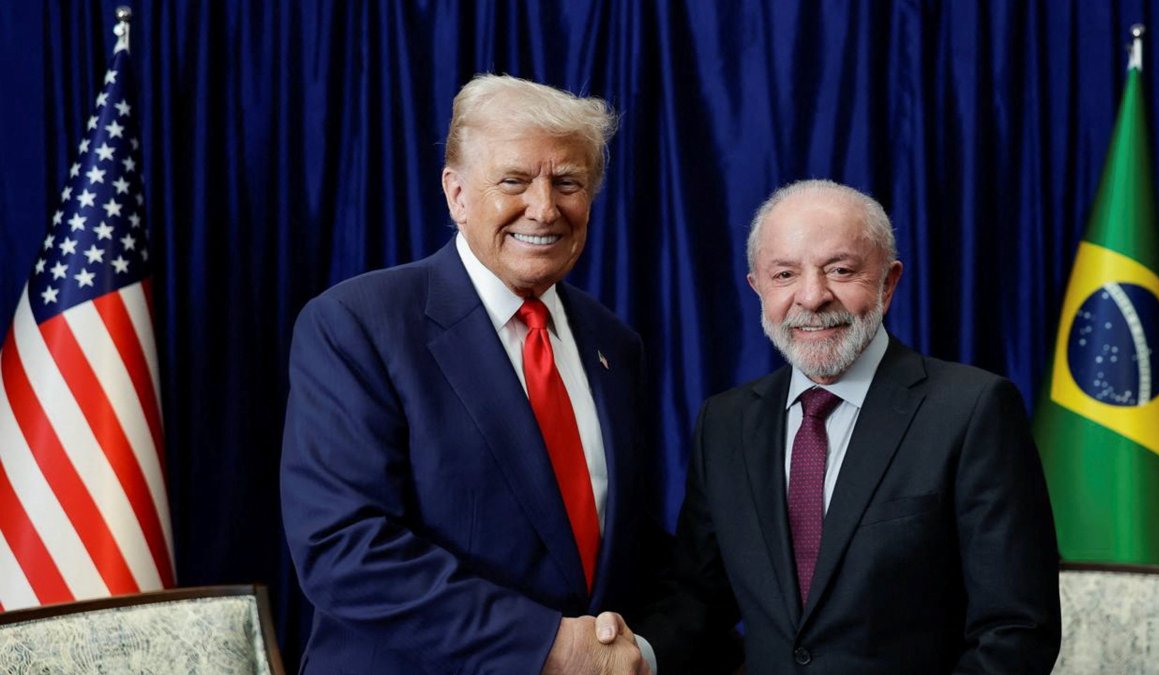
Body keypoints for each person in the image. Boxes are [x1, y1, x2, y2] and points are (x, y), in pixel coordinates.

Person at [281, 74, 658, 674]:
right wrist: (547, 648)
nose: (544, 207)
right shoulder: (357, 324)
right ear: (456, 194)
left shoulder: (615, 345)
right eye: (513, 181)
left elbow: (624, 547)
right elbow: (344, 547)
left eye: (568, 183)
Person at [638, 179, 1061, 674]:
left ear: (888, 283)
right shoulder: (726, 423)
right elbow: (698, 601)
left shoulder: (972, 411)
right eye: (785, 274)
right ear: (757, 287)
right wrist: (633, 658)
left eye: (840, 270)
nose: (812, 297)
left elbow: (1015, 632)